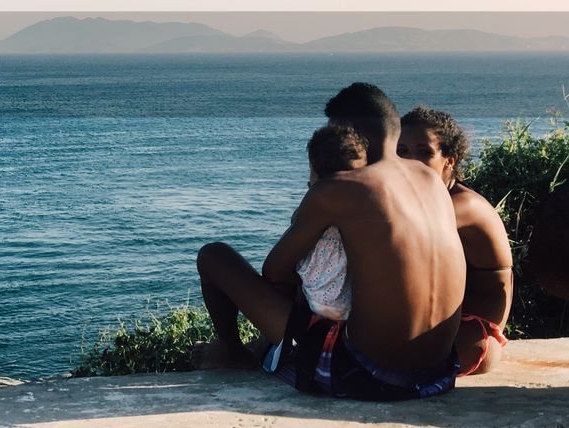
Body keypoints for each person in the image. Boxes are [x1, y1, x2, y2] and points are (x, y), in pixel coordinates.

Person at [195, 83, 466, 401]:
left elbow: (275, 271)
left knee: (214, 256)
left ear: (349, 133)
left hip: (366, 375)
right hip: (439, 372)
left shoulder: (341, 188)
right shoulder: (431, 180)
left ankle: (232, 352)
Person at [398, 106, 512, 376]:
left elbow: (402, 237)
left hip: (472, 336)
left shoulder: (464, 206)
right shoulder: (428, 199)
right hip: (442, 330)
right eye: (401, 152)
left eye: (424, 152)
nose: (411, 161)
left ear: (449, 159)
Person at [296, 123, 369, 321]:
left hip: (317, 307)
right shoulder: (367, 214)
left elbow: (274, 270)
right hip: (352, 312)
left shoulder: (314, 212)